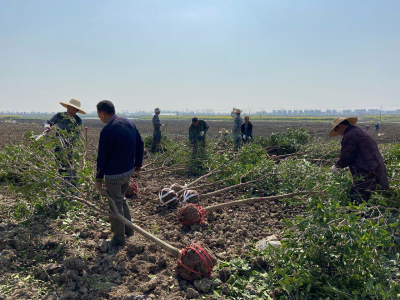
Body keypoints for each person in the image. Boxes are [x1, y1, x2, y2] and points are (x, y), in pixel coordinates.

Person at [95, 100, 144, 247]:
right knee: (121, 200)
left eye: (98, 114)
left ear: (103, 113)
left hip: (113, 176)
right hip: (127, 172)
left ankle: (118, 239)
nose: (99, 118)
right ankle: (129, 230)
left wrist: (98, 177)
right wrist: (138, 164)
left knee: (115, 205)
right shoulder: (128, 122)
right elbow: (140, 143)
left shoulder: (107, 130)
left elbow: (102, 156)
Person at [329, 117, 389, 202]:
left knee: (356, 198)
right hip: (372, 168)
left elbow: (346, 156)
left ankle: (360, 214)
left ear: (340, 126)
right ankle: (364, 213)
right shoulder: (357, 131)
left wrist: (336, 166)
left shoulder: (350, 135)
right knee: (364, 197)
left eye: (336, 130)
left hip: (366, 170)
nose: (338, 133)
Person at [43, 99, 86, 185]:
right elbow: (47, 122)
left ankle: (73, 191)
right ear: (67, 107)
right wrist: (47, 127)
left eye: (74, 109)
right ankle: (64, 189)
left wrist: (66, 144)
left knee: (70, 169)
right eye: (69, 108)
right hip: (58, 148)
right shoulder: (59, 116)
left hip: (70, 149)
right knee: (61, 168)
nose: (71, 111)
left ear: (77, 111)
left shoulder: (78, 121)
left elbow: (75, 137)